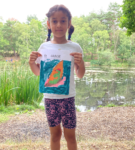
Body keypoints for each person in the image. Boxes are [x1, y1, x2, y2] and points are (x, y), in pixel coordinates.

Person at [29, 4, 85, 150]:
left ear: (68, 23)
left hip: (68, 98)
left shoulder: (75, 47)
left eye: (63, 20)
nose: (58, 24)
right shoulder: (44, 47)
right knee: (55, 135)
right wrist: (31, 63)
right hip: (50, 99)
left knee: (70, 136)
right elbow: (38, 73)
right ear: (49, 24)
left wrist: (81, 63)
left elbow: (80, 74)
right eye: (54, 21)